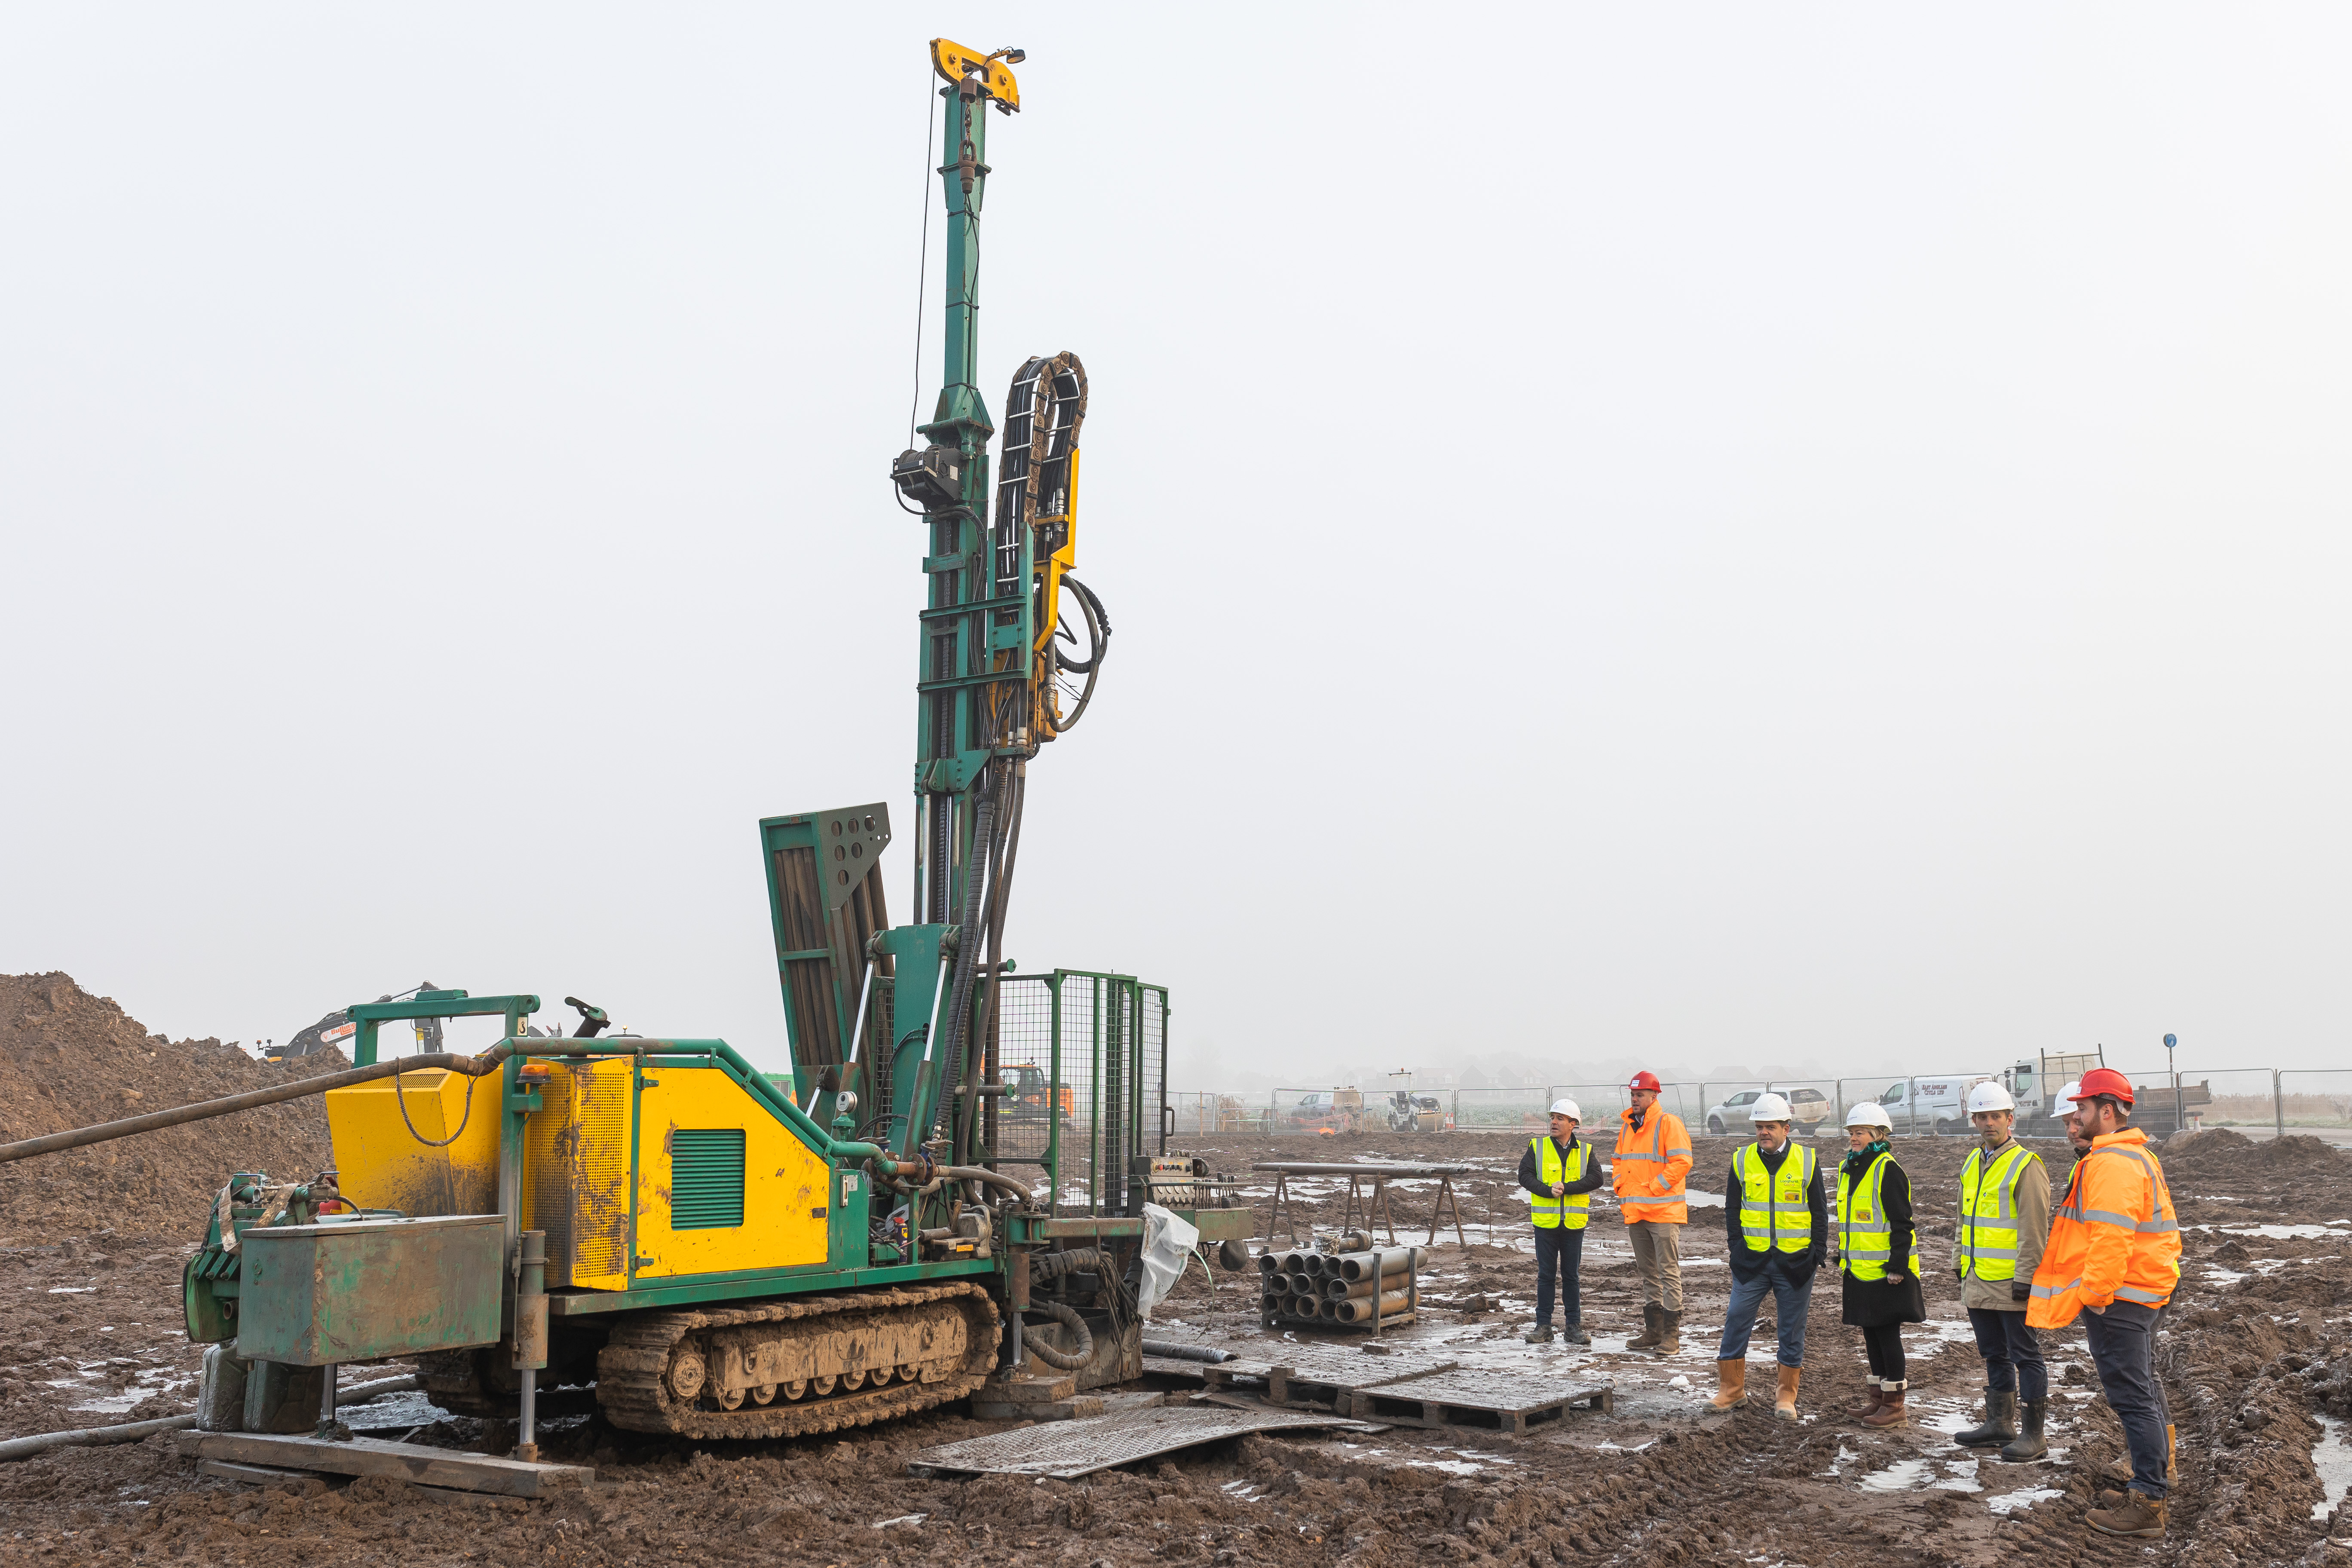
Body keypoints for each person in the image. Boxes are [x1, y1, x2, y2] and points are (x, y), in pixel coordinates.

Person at [2027, 1066, 2183, 1541]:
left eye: (2082, 1109)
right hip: (2142, 1291)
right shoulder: (2131, 1156)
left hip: (2121, 1297)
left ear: (2107, 1111)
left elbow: (2111, 1241)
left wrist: (2094, 1297)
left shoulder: (2113, 1164)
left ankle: (2147, 1503)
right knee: (2144, 1386)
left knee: (2131, 1396)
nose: (2076, 1117)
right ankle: (2156, 1474)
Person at [1949, 1081, 2053, 1460]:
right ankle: (1999, 1424)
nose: (1989, 1123)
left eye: (1997, 1116)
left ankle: (2034, 1434)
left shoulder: (2027, 1165)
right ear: (1973, 1120)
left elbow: (2034, 1229)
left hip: (2012, 1284)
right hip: (1979, 1280)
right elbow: (1964, 1218)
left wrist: (2027, 1278)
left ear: (2011, 1119)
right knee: (1994, 1353)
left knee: (2026, 1355)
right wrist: (1959, 1262)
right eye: (1982, 1117)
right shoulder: (1972, 1162)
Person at [1709, 1093, 1826, 1420]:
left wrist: (1817, 1252)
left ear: (1786, 1128)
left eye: (1771, 1127)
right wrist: (1736, 1246)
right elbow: (1732, 1207)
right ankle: (1731, 1390)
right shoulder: (1741, 1159)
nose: (1764, 1132)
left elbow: (1819, 1210)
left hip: (1795, 1262)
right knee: (1735, 1320)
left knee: (1791, 1331)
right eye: (1760, 1127)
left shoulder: (1807, 1160)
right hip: (1753, 1262)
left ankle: (1786, 1397)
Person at [1836, 1102, 1923, 1427]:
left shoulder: (1888, 1169)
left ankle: (1895, 1405)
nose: (1854, 1138)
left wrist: (1898, 1266)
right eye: (1852, 1133)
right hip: (1859, 1270)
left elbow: (1903, 1223)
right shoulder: (1852, 1167)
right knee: (1870, 1335)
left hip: (1887, 1273)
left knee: (1887, 1336)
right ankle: (1878, 1401)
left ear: (1878, 1135)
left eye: (1860, 1132)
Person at [1613, 1070, 1693, 1354]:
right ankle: (1654, 1332)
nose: (1635, 1099)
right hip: (1636, 1212)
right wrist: (1620, 1187)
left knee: (1668, 1272)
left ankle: (1671, 1336)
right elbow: (1619, 1160)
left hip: (1662, 1212)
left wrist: (1654, 1187)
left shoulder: (1667, 1123)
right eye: (1633, 1094)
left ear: (1654, 1096)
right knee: (1649, 1273)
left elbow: (1683, 1161)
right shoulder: (1628, 1127)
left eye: (1640, 1095)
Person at [1520, 1098, 1606, 1344]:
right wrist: (1548, 1191)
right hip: (1545, 1224)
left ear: (1573, 1124)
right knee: (1545, 1276)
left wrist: (1567, 1188)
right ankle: (1543, 1327)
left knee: (1571, 1277)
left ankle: (1573, 1327)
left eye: (1560, 1119)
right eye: (1553, 1118)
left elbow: (1597, 1178)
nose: (1554, 1122)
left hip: (1573, 1225)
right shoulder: (1537, 1147)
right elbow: (1524, 1175)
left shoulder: (1586, 1150)